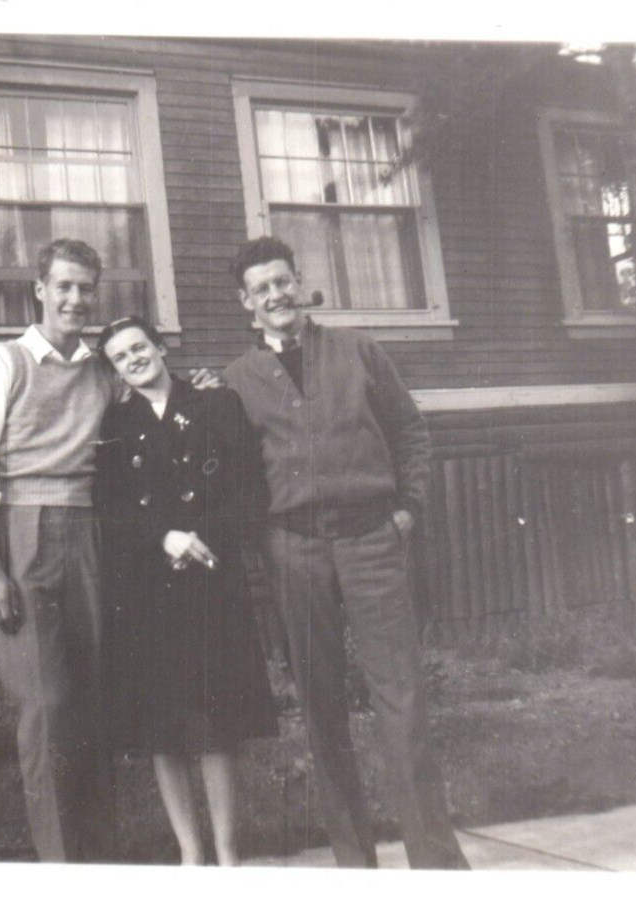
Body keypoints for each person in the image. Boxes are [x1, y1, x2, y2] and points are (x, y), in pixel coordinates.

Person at [222, 236, 470, 870]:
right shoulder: (237, 381)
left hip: (370, 539)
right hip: (294, 548)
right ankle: (355, 865)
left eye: (283, 281)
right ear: (246, 303)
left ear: (299, 282)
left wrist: (406, 507)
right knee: (321, 704)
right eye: (261, 289)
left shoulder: (357, 349)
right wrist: (263, 542)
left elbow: (409, 430)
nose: (276, 295)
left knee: (402, 697)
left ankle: (437, 864)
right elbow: (235, 472)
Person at [0, 238, 121, 863]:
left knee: (92, 699)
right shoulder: (1, 363)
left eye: (86, 288)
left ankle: (102, 860)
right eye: (64, 286)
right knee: (45, 706)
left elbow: (154, 402)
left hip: (91, 530)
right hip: (25, 535)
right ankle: (61, 866)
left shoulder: (103, 370)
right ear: (40, 290)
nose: (75, 299)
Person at [92, 315, 279, 866]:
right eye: (120, 357)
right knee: (163, 728)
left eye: (139, 347)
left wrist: (202, 536)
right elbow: (112, 508)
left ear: (161, 347)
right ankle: (191, 853)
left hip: (212, 579)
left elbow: (248, 485)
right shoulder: (115, 422)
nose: (133, 360)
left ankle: (227, 851)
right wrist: (164, 537)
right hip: (148, 589)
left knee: (216, 723)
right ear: (115, 371)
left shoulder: (214, 403)